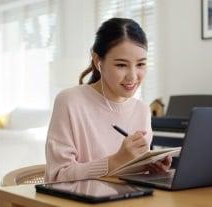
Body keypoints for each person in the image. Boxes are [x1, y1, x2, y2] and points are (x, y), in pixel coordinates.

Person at [45, 18, 171, 182]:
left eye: (140, 64)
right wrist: (116, 161)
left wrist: (150, 169)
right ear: (98, 62)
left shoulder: (142, 110)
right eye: (121, 65)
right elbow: (57, 177)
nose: (133, 76)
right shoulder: (69, 101)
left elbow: (130, 179)